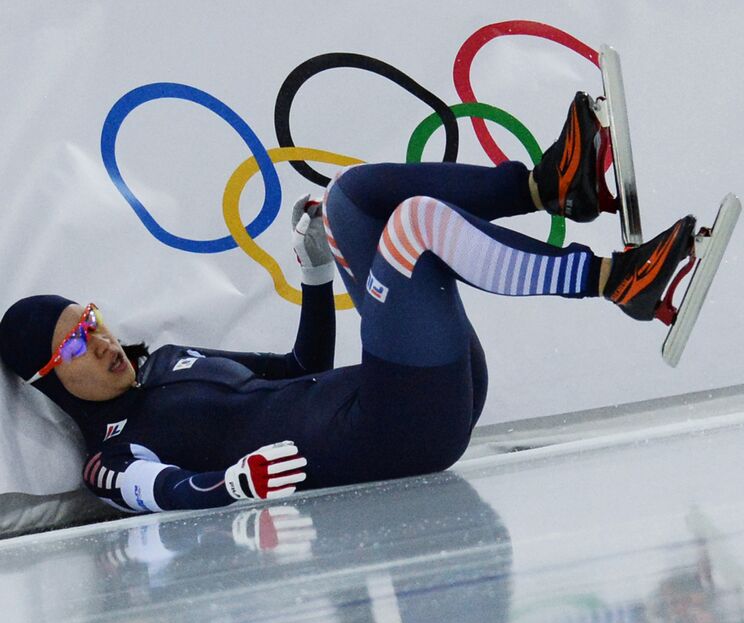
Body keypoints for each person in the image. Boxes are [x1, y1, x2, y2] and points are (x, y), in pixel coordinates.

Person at [0, 93, 697, 515]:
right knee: (416, 225)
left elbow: (300, 364)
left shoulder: (168, 364)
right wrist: (231, 487)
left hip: (396, 391)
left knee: (351, 199)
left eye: (89, 320)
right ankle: (618, 280)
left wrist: (312, 274)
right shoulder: (108, 457)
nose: (98, 341)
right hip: (396, 430)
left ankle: (550, 187)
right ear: (47, 379)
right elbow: (161, 490)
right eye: (73, 345)